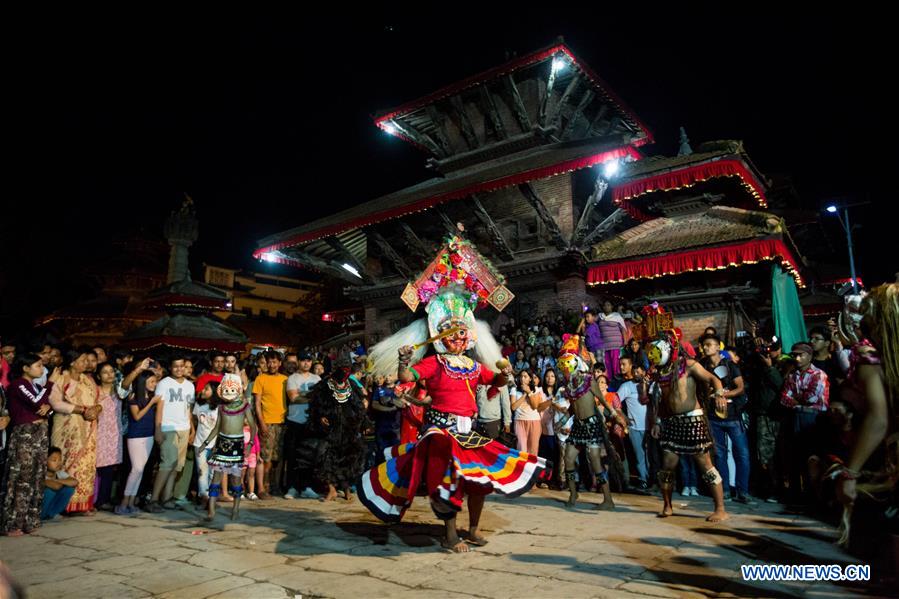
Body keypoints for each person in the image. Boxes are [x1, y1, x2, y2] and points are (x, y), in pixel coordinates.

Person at [358, 234, 545, 552]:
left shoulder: (473, 367)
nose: (458, 338)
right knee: (449, 478)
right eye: (453, 333)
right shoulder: (434, 362)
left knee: (479, 480)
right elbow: (407, 376)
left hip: (469, 430)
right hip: (440, 430)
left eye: (462, 333)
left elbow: (495, 383)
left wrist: (504, 375)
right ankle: (450, 534)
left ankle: (472, 529)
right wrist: (404, 362)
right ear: (443, 336)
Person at [2, 354, 93, 534]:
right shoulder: (19, 385)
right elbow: (37, 402)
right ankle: (12, 523)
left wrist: (46, 407)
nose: (42, 369)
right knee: (22, 479)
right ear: (25, 368)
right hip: (25, 435)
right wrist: (49, 385)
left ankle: (30, 520)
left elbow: (46, 408)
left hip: (40, 434)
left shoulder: (35, 386)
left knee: (37, 477)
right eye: (37, 365)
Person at [649, 327, 729, 522]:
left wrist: (719, 395)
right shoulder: (661, 373)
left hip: (693, 420)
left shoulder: (690, 365)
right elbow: (661, 401)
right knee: (667, 466)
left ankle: (720, 509)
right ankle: (667, 505)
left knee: (705, 464)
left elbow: (713, 378)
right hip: (672, 423)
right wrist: (658, 421)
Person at [555, 335, 623, 510]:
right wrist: (562, 421)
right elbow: (572, 408)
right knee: (568, 458)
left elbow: (603, 400)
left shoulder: (589, 380)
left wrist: (616, 416)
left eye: (567, 363)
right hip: (577, 426)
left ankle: (608, 499)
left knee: (595, 461)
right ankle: (573, 494)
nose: (565, 367)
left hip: (592, 425)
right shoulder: (569, 386)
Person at [50, 348, 102, 514]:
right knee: (65, 462)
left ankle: (82, 504)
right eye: (82, 360)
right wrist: (81, 410)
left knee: (85, 465)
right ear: (72, 362)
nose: (86, 363)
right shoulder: (60, 378)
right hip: (67, 428)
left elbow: (99, 401)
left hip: (88, 428)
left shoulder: (88, 380)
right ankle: (63, 505)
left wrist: (97, 409)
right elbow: (55, 403)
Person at [309, 362, 369, 502]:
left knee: (349, 457)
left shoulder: (352, 386)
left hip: (349, 428)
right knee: (325, 456)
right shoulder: (324, 385)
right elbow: (316, 405)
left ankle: (347, 489)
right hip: (331, 429)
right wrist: (320, 417)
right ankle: (331, 490)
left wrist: (364, 422)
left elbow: (359, 406)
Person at [204, 374, 257, 520]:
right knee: (216, 479)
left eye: (232, 390)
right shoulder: (221, 407)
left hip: (237, 445)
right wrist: (205, 444)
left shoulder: (245, 406)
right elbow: (216, 428)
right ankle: (211, 511)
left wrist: (250, 445)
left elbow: (253, 426)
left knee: (235, 480)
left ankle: (235, 509)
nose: (229, 393)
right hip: (221, 444)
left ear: (238, 390)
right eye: (226, 390)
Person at [147, 356, 195, 513]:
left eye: (182, 366)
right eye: (176, 366)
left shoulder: (190, 386)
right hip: (168, 427)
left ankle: (167, 498)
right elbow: (159, 407)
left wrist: (191, 429)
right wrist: (158, 429)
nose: (179, 369)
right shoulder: (164, 384)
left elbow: (188, 408)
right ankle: (153, 499)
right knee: (167, 464)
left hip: (184, 428)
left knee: (176, 466)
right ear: (171, 367)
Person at [118, 370, 159, 515]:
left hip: (149, 435)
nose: (155, 384)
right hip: (135, 436)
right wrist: (151, 404)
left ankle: (131, 501)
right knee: (137, 469)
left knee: (140, 470)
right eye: (152, 382)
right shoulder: (134, 396)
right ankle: (124, 501)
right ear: (144, 382)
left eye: (155, 381)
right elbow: (137, 416)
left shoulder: (152, 396)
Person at [253, 350, 287, 499]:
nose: (272, 365)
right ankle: (263, 488)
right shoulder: (260, 379)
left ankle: (276, 486)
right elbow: (257, 404)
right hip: (267, 423)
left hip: (283, 424)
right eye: (269, 362)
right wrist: (262, 423)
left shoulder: (286, 379)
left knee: (278, 458)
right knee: (265, 458)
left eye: (274, 362)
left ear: (280, 363)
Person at [42, 447, 78, 521]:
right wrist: (61, 482)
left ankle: (51, 514)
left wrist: (56, 480)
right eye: (54, 460)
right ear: (44, 461)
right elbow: (56, 487)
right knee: (50, 492)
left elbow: (75, 482)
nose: (58, 463)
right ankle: (42, 515)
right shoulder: (40, 474)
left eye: (60, 460)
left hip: (50, 511)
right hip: (39, 510)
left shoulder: (59, 473)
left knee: (69, 489)